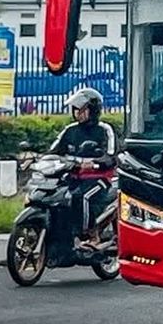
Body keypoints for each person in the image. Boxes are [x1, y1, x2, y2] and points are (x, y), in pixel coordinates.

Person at [48, 88, 117, 250]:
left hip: (98, 178)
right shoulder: (70, 130)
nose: (77, 113)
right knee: (56, 196)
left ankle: (89, 234)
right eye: (75, 109)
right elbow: (53, 151)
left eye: (81, 109)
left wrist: (95, 163)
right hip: (73, 176)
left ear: (93, 110)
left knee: (81, 196)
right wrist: (35, 157)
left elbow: (111, 156)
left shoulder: (105, 130)